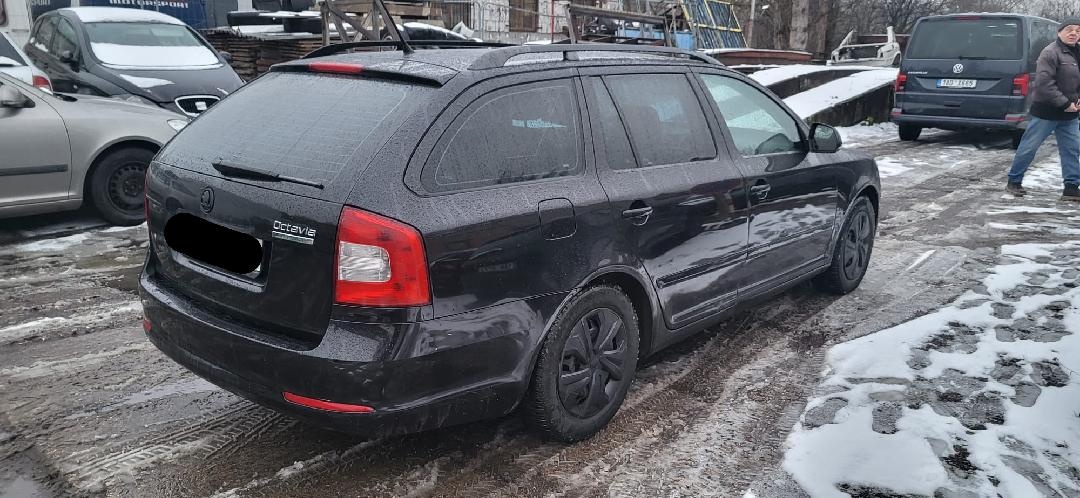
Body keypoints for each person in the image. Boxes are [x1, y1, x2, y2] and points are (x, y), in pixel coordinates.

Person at [1006, 18, 1080, 201]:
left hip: (1070, 114)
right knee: (1029, 147)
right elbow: (1045, 84)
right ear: (1059, 32)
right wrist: (1065, 103)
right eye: (1069, 29)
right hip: (1046, 113)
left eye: (1078, 31)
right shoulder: (1050, 52)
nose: (1074, 33)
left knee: (1072, 150)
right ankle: (1014, 182)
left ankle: (1071, 188)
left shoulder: (1077, 53)